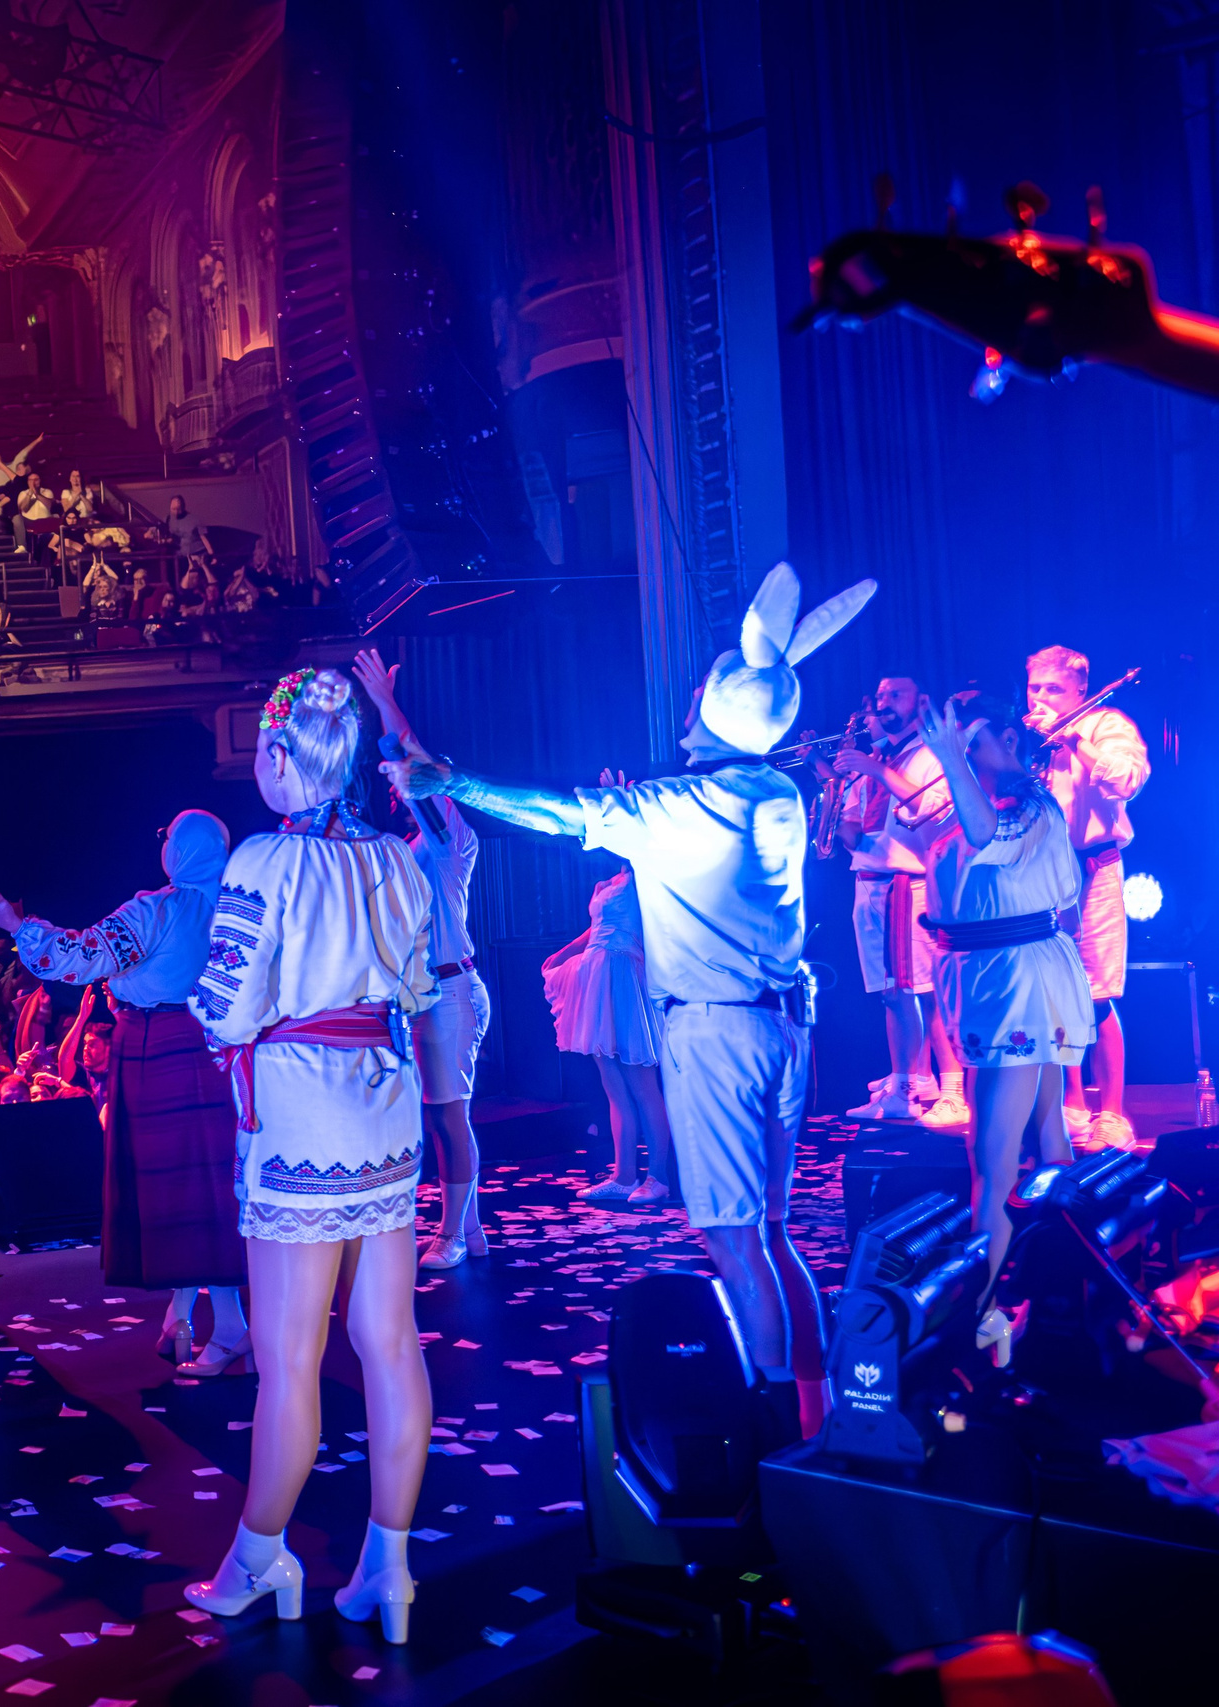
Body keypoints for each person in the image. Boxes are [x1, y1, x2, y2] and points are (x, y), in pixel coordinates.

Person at [388, 563, 874, 1439]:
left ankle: (783, 1439)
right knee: (773, 1230)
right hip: (785, 1027)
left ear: (723, 710)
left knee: (733, 1240)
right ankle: (818, 1407)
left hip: (720, 1033)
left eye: (701, 693)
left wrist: (453, 781)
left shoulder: (689, 803)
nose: (687, 702)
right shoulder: (780, 791)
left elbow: (550, 812)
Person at [181, 668, 436, 1639]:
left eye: (260, 748)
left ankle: (259, 1556)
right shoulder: (398, 862)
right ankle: (390, 1565)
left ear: (283, 758)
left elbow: (224, 1004)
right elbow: (415, 992)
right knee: (390, 1341)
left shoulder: (262, 863)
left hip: (300, 1120)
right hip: (385, 1107)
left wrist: (221, 1031)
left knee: (288, 1359)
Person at [0, 811, 248, 1371]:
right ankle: (181, 1311)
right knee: (203, 1187)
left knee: (186, 1192)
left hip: (161, 1046)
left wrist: (14, 922)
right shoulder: (243, 906)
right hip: (224, 1054)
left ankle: (234, 1326)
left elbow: (75, 958)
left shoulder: (160, 908)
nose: (163, 844)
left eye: (167, 836)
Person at [918, 692, 1091, 1350]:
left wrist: (945, 758)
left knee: (993, 1157)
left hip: (1017, 981)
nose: (963, 755)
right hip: (991, 980)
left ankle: (985, 1314)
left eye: (973, 743)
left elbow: (989, 839)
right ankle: (1061, 1294)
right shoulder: (979, 810)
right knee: (1046, 1141)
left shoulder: (1032, 806)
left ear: (1010, 741)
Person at [348, 649, 492, 1270]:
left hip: (450, 992)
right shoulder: (411, 845)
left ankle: (453, 1234)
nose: (396, 781)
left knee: (448, 1115)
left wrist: (385, 706)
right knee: (438, 1117)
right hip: (427, 996)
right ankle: (471, 1229)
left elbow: (419, 765)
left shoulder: (448, 837)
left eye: (408, 777)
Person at [1024, 645, 1150, 1147]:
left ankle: (1112, 1112)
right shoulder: (1028, 737)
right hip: (1040, 877)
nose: (1041, 698)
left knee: (1096, 995)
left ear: (1080, 689)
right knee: (1055, 997)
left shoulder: (1106, 725)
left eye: (1052, 689)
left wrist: (1073, 736)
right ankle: (1071, 1103)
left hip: (1094, 869)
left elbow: (1127, 781)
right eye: (1034, 687)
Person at [827, 677, 966, 1126]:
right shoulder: (881, 759)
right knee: (892, 994)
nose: (884, 703)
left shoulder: (927, 755)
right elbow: (856, 835)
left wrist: (873, 770)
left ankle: (952, 1089)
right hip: (870, 881)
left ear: (920, 702)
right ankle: (907, 1082)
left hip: (911, 885)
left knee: (927, 993)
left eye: (895, 696)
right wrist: (830, 790)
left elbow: (933, 810)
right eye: (880, 696)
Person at [541, 864, 673, 1204]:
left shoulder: (647, 874)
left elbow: (661, 925)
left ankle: (659, 1176)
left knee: (642, 1084)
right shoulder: (609, 881)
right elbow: (593, 930)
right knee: (613, 1084)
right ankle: (624, 1175)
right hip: (596, 974)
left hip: (624, 972)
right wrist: (564, 953)